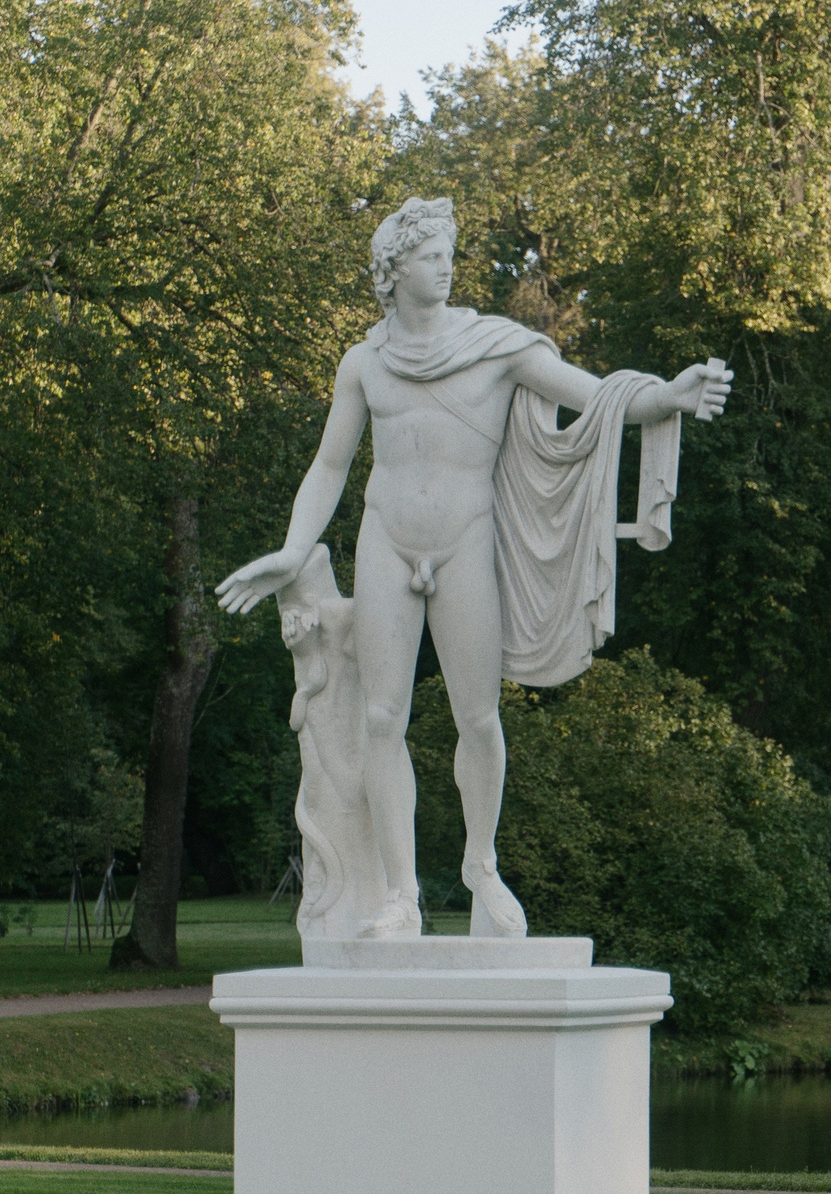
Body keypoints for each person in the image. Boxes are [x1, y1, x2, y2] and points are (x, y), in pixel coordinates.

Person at [214, 197, 733, 939]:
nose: (448, 265)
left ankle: (482, 867)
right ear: (395, 270)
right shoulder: (364, 363)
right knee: (382, 717)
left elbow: (597, 397)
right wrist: (297, 549)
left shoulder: (497, 347)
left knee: (479, 718)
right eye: (432, 255)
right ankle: (401, 895)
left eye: (449, 252)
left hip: (466, 540)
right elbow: (330, 465)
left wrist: (668, 397)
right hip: (387, 538)